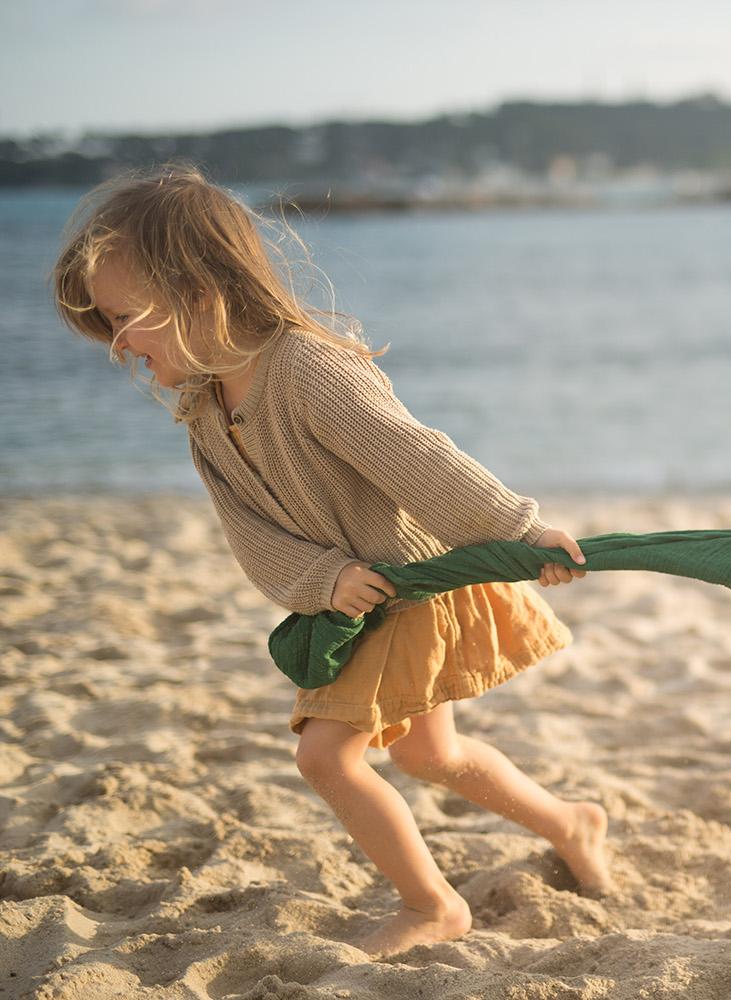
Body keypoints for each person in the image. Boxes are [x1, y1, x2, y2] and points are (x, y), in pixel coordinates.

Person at [52, 163, 612, 957]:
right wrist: (322, 578)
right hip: (359, 598)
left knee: (326, 756)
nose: (117, 345)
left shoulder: (308, 371)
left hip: (416, 590)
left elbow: (417, 460)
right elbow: (251, 534)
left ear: (198, 294)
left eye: (124, 319)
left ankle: (432, 906)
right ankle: (571, 822)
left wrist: (517, 529)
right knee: (430, 754)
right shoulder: (205, 412)